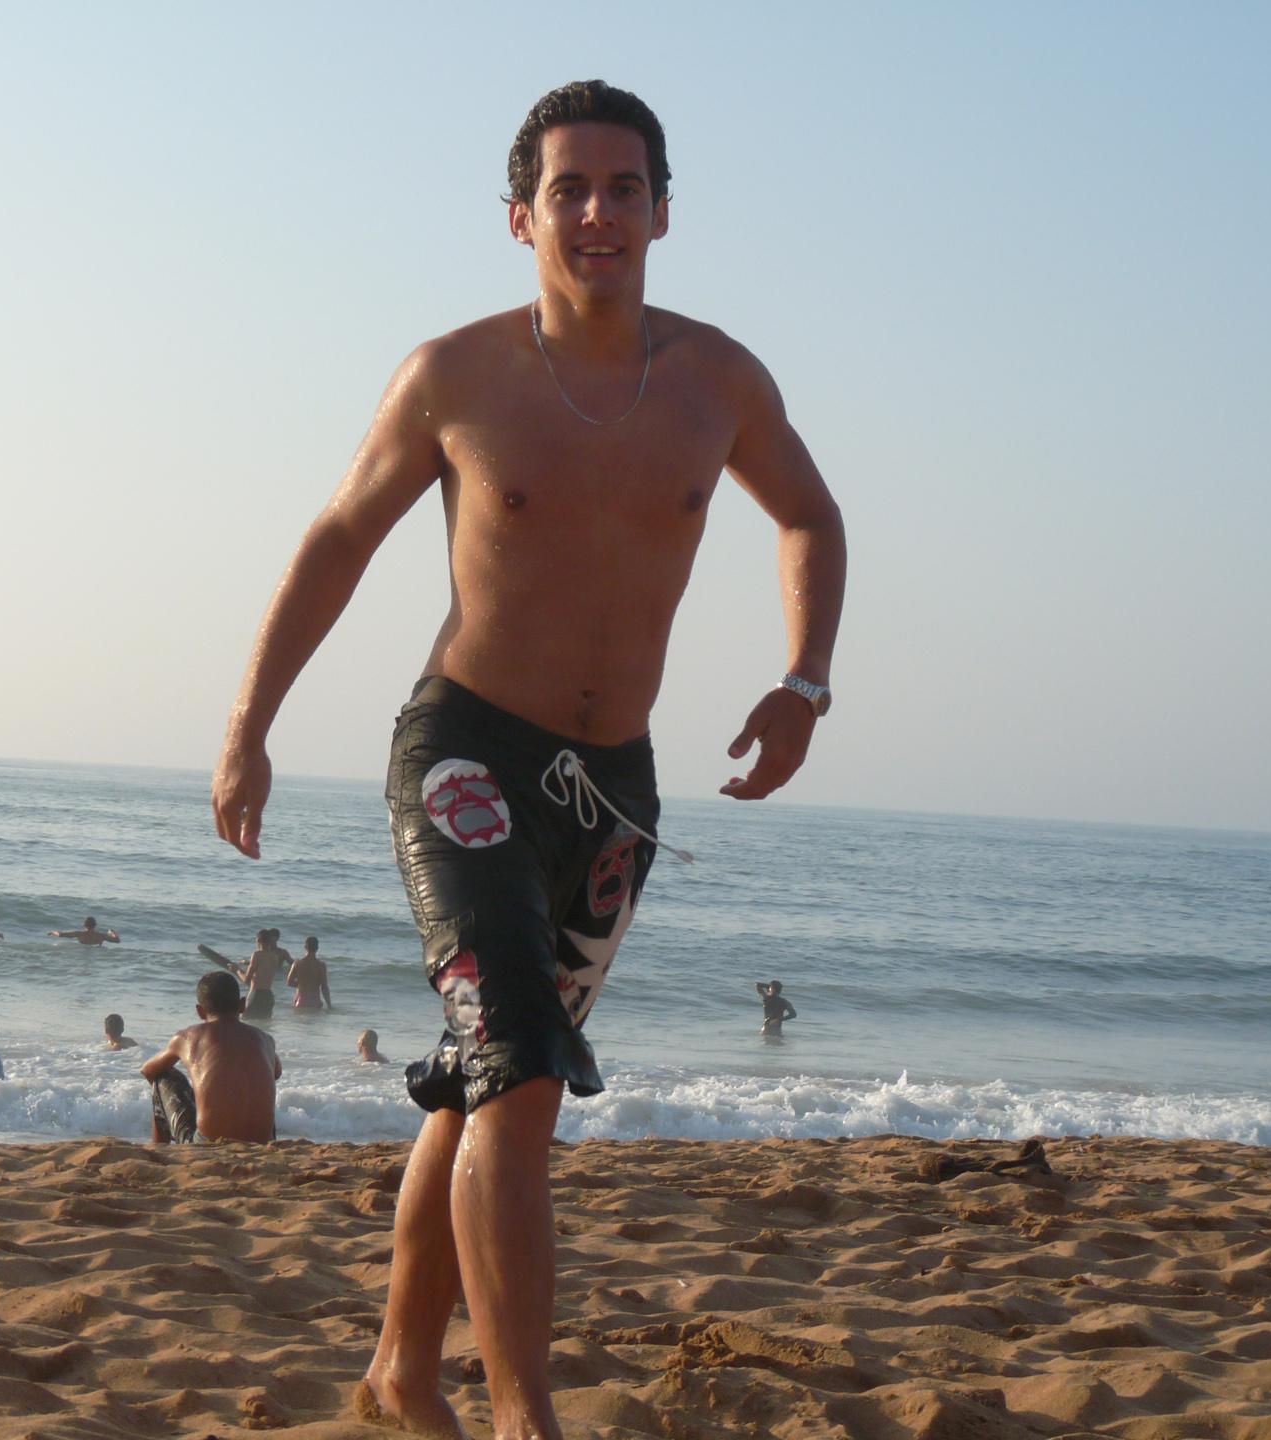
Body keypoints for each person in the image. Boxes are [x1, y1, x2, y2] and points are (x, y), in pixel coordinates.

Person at [209, 80, 845, 1440]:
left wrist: (804, 683)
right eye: (570, 190)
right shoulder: (455, 376)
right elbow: (337, 541)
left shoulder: (720, 382)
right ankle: (525, 1421)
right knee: (523, 1077)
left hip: (614, 793)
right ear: (521, 217)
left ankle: (400, 1370)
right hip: (468, 758)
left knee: (485, 1079)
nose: (598, 213)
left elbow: (809, 516)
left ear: (663, 211)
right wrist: (249, 727)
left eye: (624, 189)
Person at [139, 971, 281, 1144]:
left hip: (208, 1143)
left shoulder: (187, 1037)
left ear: (200, 1011)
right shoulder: (265, 1039)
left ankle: (159, 1148)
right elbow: (276, 1073)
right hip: (263, 1142)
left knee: (162, 1075)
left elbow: (148, 1071)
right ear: (243, 1005)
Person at [239, 928, 288, 1019]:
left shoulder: (256, 954)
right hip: (269, 996)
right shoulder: (275, 957)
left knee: (246, 1020)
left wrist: (237, 971)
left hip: (256, 994)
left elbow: (246, 980)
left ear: (258, 940)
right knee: (264, 1025)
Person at [287, 935, 334, 1010]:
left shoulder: (297, 963)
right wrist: (329, 1005)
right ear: (317, 948)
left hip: (301, 999)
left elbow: (289, 982)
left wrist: (301, 984)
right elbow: (324, 987)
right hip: (315, 1000)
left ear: (305, 947)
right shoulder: (321, 965)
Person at [48, 917, 120, 946]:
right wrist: (112, 932)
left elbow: (61, 934)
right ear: (95, 925)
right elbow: (117, 940)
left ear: (84, 925)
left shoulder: (79, 934)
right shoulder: (101, 936)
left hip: (82, 952)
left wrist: (52, 932)